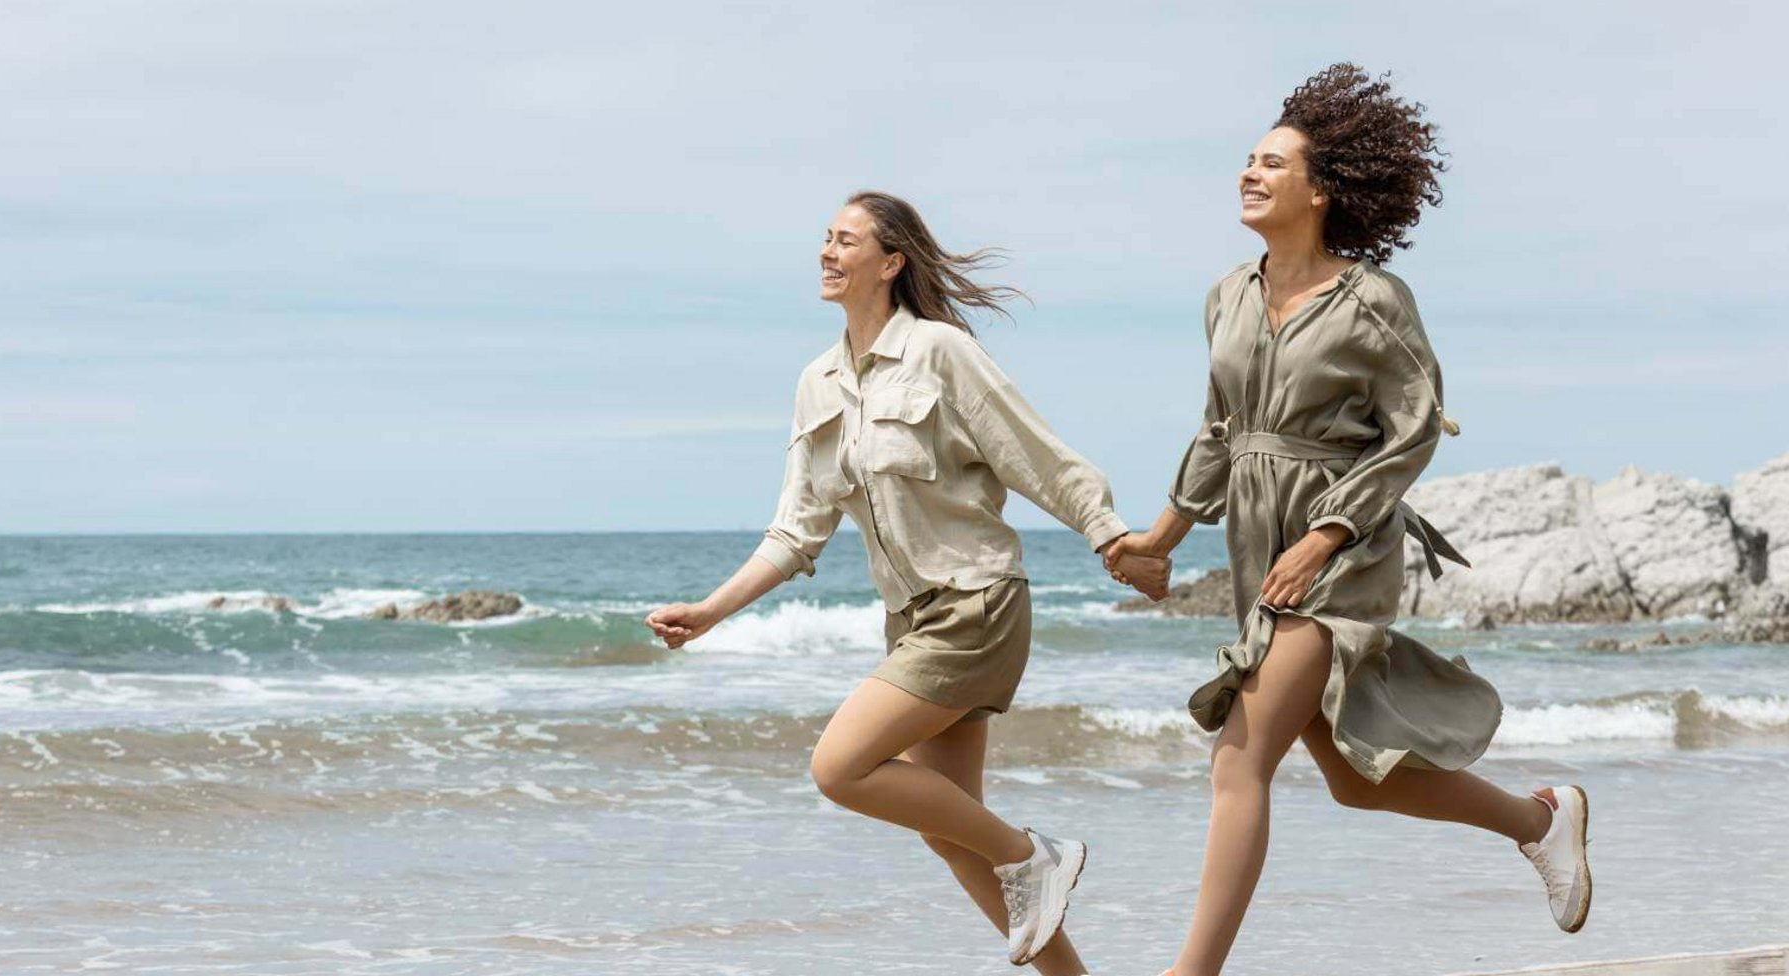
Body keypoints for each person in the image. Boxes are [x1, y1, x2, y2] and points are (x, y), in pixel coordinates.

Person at [1104, 64, 1592, 975]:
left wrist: (1326, 534)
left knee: (1238, 759)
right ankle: (1541, 821)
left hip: (1342, 543)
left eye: (1272, 164)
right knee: (1351, 779)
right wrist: (1161, 537)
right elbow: (1224, 430)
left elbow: (1410, 433)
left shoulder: (1373, 300)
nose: (1249, 174)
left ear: (1321, 191)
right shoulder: (1228, 295)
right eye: (1247, 160)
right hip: (1257, 544)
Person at [647, 190, 1168, 973]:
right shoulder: (817, 382)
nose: (827, 252)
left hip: (977, 602)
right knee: (947, 829)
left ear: (890, 263)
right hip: (914, 620)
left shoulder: (939, 352)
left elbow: (1035, 453)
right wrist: (713, 612)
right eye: (824, 238)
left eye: (846, 240)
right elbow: (797, 526)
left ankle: (1034, 855)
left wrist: (1109, 535)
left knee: (840, 767)